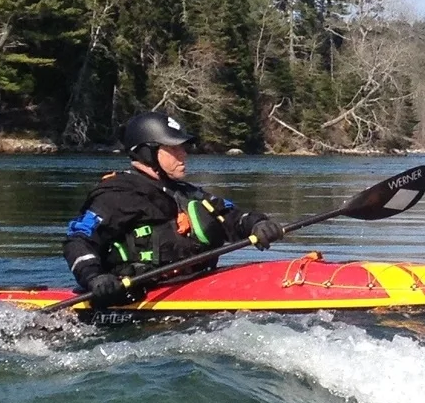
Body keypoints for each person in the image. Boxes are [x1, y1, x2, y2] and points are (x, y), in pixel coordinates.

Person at [63, 111, 286, 307]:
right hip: (138, 296)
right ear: (147, 153)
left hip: (196, 285)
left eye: (183, 147)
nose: (184, 154)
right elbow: (78, 239)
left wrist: (258, 223)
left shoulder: (186, 193)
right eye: (173, 148)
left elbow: (230, 216)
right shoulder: (116, 195)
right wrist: (94, 278)